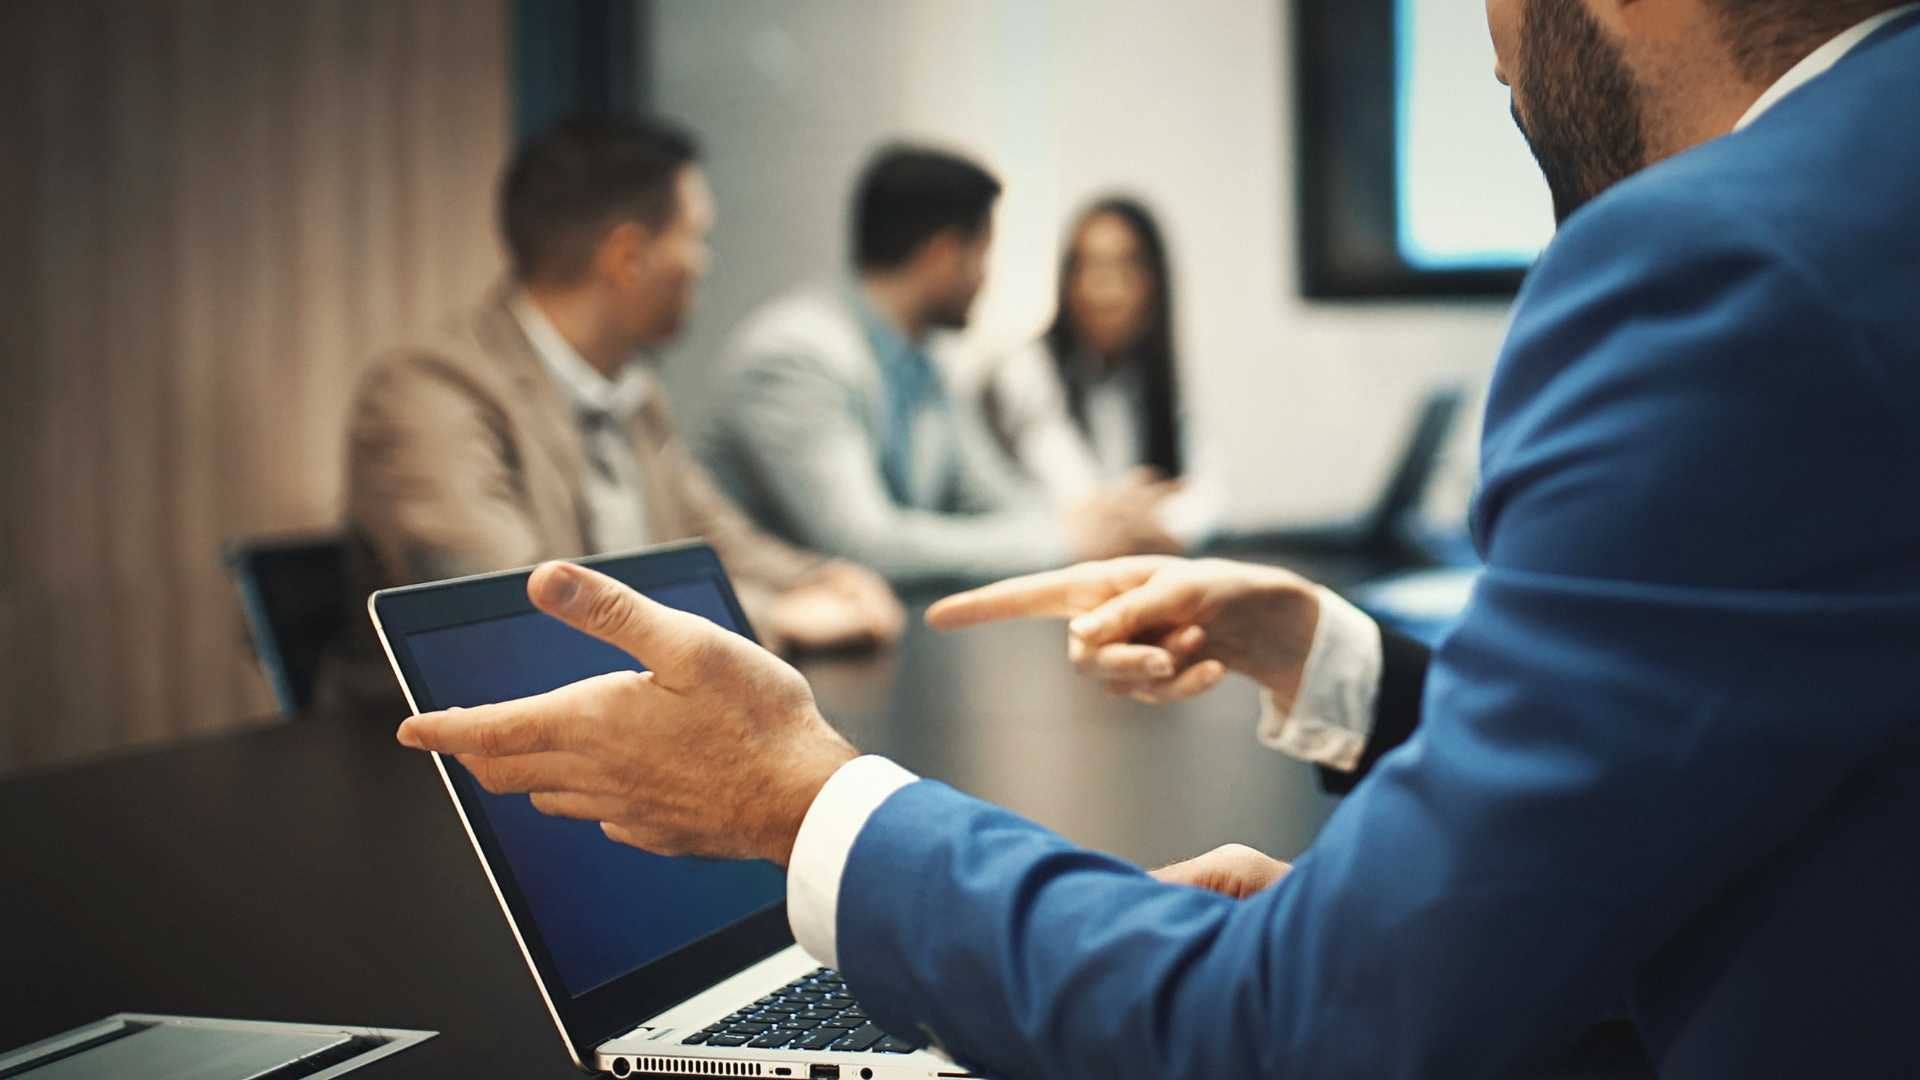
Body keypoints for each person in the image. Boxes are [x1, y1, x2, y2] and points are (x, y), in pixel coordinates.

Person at [394, 2, 1920, 1077]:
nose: (1496, 52)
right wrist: (1337, 665)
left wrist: (803, 801)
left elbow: (1308, 1029)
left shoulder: (1726, 260)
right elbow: (1775, 757)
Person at [324, 115, 903, 714]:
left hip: (612, 737)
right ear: (628, 255)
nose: (704, 261)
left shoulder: (631, 393)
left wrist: (825, 580)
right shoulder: (427, 390)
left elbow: (718, 539)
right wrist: (778, 614)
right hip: (444, 771)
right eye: (695, 236)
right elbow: (513, 616)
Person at [697, 146, 1179, 587]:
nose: (987, 277)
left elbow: (989, 497)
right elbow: (865, 546)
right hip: (769, 652)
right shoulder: (796, 358)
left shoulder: (926, 360)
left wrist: (1097, 520)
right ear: (944, 254)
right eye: (984, 254)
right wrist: (1066, 540)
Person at [983, 196, 1224, 546]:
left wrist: (1164, 523)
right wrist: (1143, 511)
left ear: (1154, 282)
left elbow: (1211, 494)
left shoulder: (1157, 377)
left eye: (1125, 269)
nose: (1105, 290)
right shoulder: (1026, 370)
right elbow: (1072, 494)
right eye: (1088, 267)